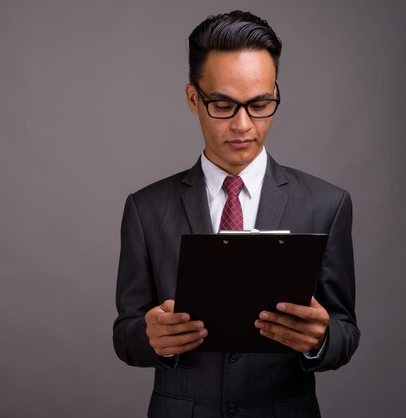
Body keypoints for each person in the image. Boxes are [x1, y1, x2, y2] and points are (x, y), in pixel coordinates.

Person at [113, 11, 359, 418]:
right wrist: (149, 336)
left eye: (260, 104)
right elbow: (125, 336)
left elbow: (346, 332)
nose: (243, 125)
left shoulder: (327, 204)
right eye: (224, 105)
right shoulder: (145, 208)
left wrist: (320, 338)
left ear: (275, 93)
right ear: (194, 99)